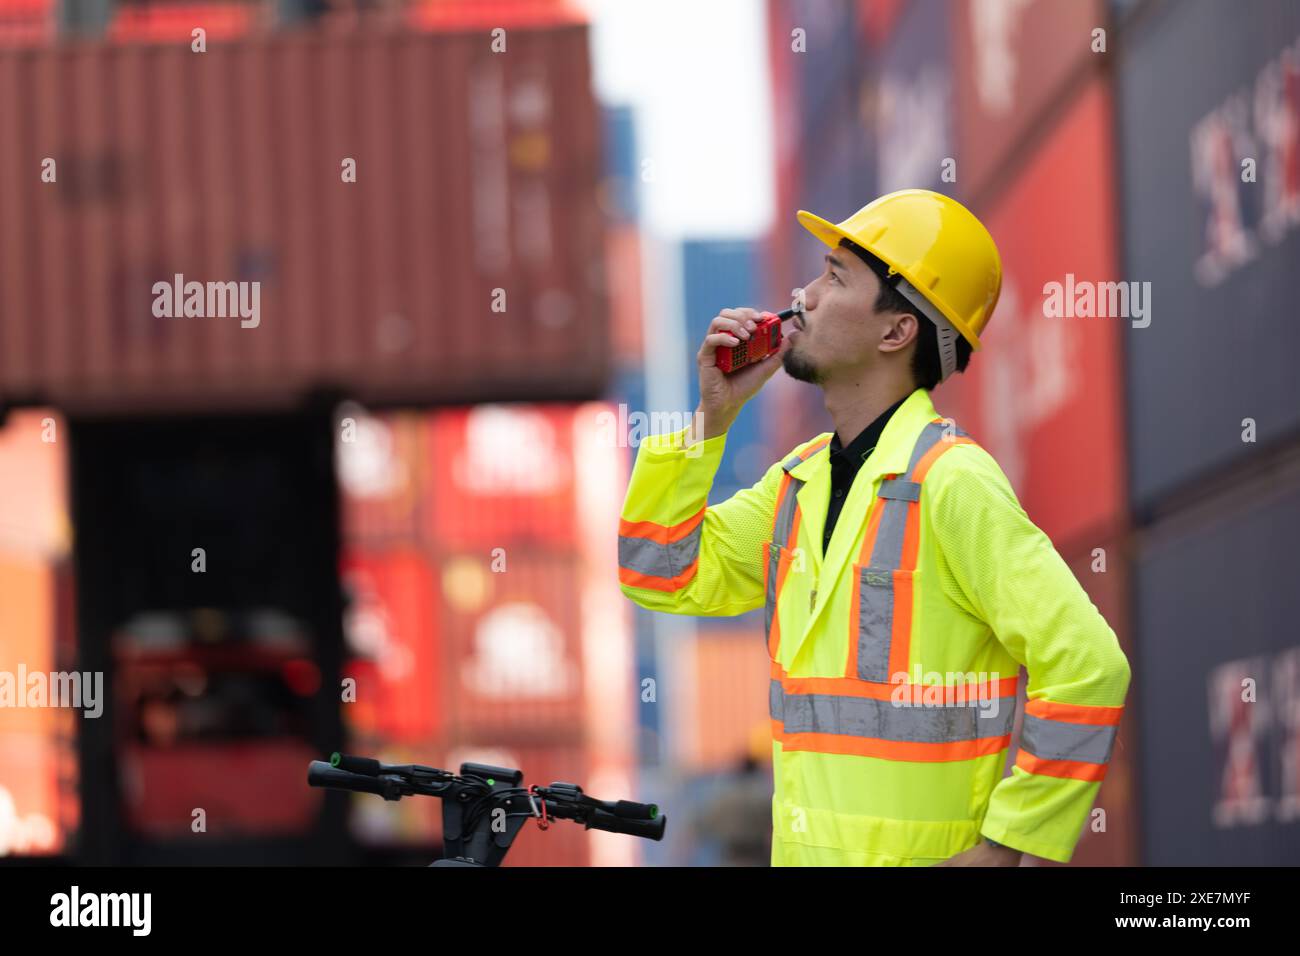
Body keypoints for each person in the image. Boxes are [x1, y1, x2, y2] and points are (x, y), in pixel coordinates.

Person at [617, 189, 1131, 866]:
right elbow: (657, 573)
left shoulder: (952, 482)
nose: (803, 295)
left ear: (896, 332)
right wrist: (711, 422)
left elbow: (1090, 667)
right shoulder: (797, 484)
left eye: (834, 277)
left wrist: (1008, 846)